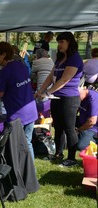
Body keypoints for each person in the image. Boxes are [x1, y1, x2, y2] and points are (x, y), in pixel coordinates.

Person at [36, 32, 83, 167]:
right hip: (56, 97)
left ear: (70, 42)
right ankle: (58, 153)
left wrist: (48, 92)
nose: (59, 45)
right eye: (58, 42)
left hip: (69, 98)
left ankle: (72, 159)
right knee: (58, 127)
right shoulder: (60, 58)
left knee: (69, 128)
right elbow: (51, 76)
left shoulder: (74, 58)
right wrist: (41, 90)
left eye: (62, 42)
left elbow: (64, 79)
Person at [0, 42, 38, 161]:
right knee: (27, 143)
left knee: (15, 146)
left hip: (18, 114)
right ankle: (30, 173)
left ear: (4, 55)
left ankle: (19, 172)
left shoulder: (5, 71)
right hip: (31, 110)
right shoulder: (21, 65)